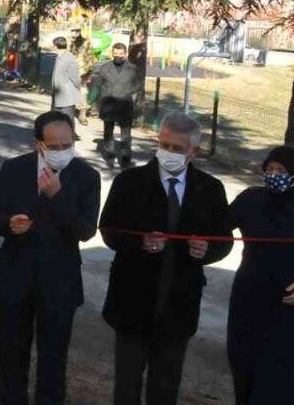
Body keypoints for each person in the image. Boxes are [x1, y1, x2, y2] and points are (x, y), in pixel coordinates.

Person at [100, 112, 232, 405]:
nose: (169, 153)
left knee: (166, 386)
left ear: (194, 151)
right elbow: (108, 230)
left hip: (179, 305)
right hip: (132, 300)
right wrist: (139, 242)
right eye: (165, 145)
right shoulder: (129, 181)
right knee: (126, 386)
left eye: (178, 148)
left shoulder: (211, 189)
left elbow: (224, 240)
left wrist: (207, 250)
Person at [0, 111, 101, 405]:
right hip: (15, 276)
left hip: (60, 283)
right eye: (54, 146)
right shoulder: (14, 169)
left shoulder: (87, 176)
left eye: (67, 145)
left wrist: (57, 196)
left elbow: (86, 230)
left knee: (53, 360)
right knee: (12, 357)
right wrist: (9, 224)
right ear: (37, 143)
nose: (61, 151)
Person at [226, 145, 294, 405]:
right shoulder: (251, 199)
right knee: (244, 367)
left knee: (279, 380)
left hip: (289, 307)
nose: (274, 175)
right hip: (249, 299)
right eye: (270, 169)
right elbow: (217, 225)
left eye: (281, 171)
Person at [94, 43, 142, 167]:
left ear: (125, 54)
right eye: (115, 53)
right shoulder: (105, 67)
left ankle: (125, 159)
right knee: (108, 133)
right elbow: (98, 84)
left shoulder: (133, 68)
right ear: (112, 53)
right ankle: (110, 156)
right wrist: (105, 93)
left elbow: (138, 85)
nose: (118, 56)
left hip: (125, 104)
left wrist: (127, 91)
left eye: (120, 54)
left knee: (126, 135)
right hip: (108, 105)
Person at [51, 37, 81, 120]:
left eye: (53, 45)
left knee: (67, 120)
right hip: (58, 95)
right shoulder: (59, 57)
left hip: (67, 97)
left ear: (56, 46)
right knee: (56, 120)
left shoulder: (69, 58)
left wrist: (78, 89)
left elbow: (75, 78)